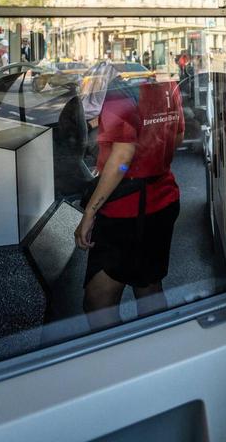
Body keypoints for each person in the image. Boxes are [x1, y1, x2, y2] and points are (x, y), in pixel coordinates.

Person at [75, 69, 184, 329]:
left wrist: (90, 212)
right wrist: (152, 158)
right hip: (163, 198)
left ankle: (116, 364)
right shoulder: (167, 86)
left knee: (98, 301)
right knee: (148, 288)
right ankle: (155, 356)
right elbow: (178, 135)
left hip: (127, 211)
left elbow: (122, 158)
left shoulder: (118, 94)